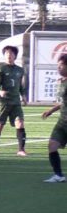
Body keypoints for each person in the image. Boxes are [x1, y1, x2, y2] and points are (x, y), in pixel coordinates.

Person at [0, 45, 28, 156]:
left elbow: (20, 86)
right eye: (7, 53)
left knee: (20, 123)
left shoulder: (20, 70)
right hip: (4, 103)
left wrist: (23, 96)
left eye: (11, 53)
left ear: (15, 56)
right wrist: (0, 92)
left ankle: (21, 150)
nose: (9, 55)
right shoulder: (0, 69)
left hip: (16, 102)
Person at [40, 54, 67, 183]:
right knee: (52, 145)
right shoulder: (61, 82)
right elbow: (62, 102)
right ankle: (58, 175)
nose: (58, 68)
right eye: (58, 66)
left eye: (61, 66)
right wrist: (50, 111)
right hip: (62, 122)